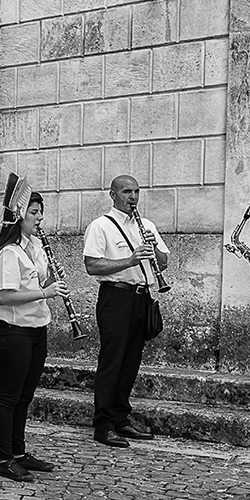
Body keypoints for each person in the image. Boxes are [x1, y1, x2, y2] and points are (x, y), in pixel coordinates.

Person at [82, 175, 169, 448]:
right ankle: (102, 425)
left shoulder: (148, 225)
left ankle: (121, 419)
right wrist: (130, 260)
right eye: (126, 192)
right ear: (113, 194)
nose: (132, 197)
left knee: (131, 363)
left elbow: (163, 262)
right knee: (112, 362)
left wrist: (153, 247)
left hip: (141, 298)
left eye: (136, 192)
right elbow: (92, 266)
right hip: (115, 297)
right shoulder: (100, 226)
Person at [0, 192, 61, 482]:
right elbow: (5, 296)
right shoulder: (7, 253)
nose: (39, 218)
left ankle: (19, 452)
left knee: (24, 396)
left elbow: (38, 284)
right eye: (34, 212)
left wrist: (51, 283)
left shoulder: (36, 246)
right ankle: (5, 459)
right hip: (14, 332)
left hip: (36, 328)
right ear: (18, 216)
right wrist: (45, 292)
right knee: (8, 396)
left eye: (40, 212)